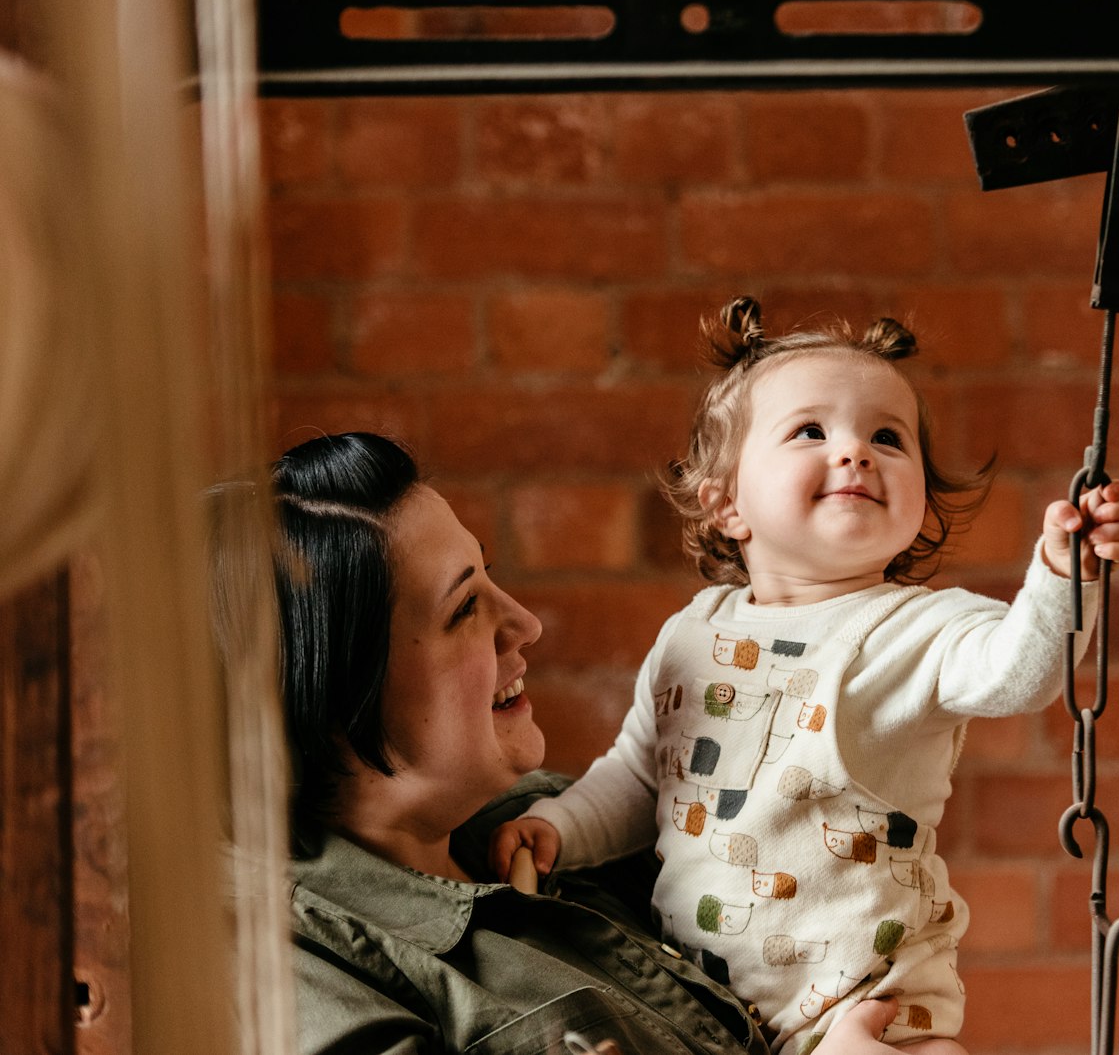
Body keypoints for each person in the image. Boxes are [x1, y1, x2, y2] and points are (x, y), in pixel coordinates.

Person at [490, 300, 1119, 1055]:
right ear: (727, 503)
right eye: (811, 431)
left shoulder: (914, 629)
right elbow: (637, 777)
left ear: (922, 507)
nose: (856, 451)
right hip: (703, 1011)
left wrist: (1062, 575)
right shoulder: (692, 635)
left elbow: (1015, 675)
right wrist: (561, 825)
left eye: (887, 437)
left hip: (866, 1010)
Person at [253, 430, 916, 1055]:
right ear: (337, 696)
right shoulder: (296, 974)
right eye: (463, 610)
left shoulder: (572, 831)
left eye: (490, 576)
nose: (525, 623)